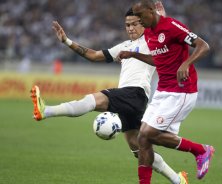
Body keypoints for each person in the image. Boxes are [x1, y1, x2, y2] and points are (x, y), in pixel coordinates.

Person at [30, 8, 189, 184]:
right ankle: (178, 179)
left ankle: (46, 111)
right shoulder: (124, 46)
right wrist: (67, 41)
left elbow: (164, 31)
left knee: (93, 100)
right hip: (133, 100)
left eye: (134, 24)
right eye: (127, 25)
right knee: (139, 148)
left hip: (135, 93)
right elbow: (93, 55)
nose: (130, 28)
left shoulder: (151, 40)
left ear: (144, 23)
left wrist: (161, 16)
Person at [118, 1, 215, 183]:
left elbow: (204, 46)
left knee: (147, 134)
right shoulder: (149, 32)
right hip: (162, 90)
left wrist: (186, 63)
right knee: (143, 139)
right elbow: (159, 60)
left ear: (150, 11)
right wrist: (133, 55)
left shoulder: (171, 26)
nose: (139, 22)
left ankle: (200, 150)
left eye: (141, 17)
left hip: (182, 91)